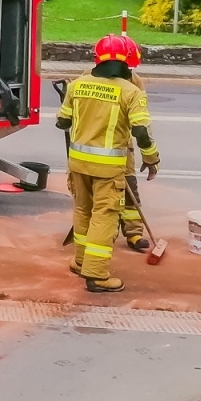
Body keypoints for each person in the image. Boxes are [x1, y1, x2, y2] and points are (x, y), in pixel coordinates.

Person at [56, 35, 160, 293]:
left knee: (82, 211)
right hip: (109, 167)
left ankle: (81, 262)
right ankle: (97, 274)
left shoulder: (77, 85)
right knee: (105, 217)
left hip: (78, 163)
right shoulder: (131, 92)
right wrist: (151, 158)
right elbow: (141, 132)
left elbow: (62, 122)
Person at [117, 35, 153, 252]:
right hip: (94, 147)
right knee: (100, 198)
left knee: (130, 191)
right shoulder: (87, 78)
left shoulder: (135, 81)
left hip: (123, 147)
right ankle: (103, 236)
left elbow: (141, 121)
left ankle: (134, 233)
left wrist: (150, 155)